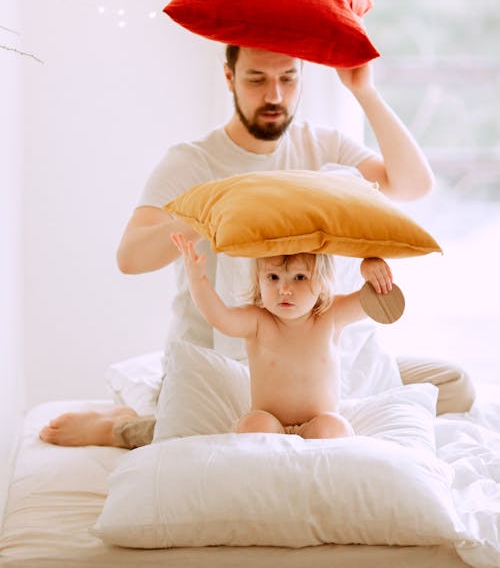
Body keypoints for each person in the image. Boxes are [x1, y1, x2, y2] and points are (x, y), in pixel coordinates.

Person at [40, 45, 475, 449]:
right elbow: (131, 258)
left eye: (288, 78)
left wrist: (365, 92)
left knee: (455, 384)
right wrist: (214, 209)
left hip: (322, 351)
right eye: (256, 79)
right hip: (232, 357)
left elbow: (413, 186)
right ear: (228, 77)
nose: (275, 94)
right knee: (213, 426)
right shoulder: (193, 162)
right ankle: (122, 426)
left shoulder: (323, 145)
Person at [172, 232, 394, 438]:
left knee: (335, 427)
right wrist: (197, 280)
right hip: (269, 421)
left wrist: (371, 268)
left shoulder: (330, 315)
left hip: (318, 422)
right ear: (259, 280)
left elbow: (378, 299)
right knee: (253, 425)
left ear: (323, 280)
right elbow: (219, 317)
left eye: (299, 277)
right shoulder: (258, 321)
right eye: (273, 277)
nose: (284, 289)